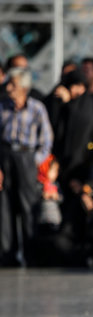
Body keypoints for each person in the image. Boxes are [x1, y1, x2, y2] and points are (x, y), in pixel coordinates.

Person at [0, 67, 53, 266]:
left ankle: (32, 254)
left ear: (23, 87)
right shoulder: (2, 106)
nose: (9, 87)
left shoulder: (36, 108)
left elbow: (46, 139)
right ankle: (7, 254)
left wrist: (35, 160)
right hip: (5, 156)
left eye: (13, 84)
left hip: (26, 157)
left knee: (28, 205)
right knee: (4, 206)